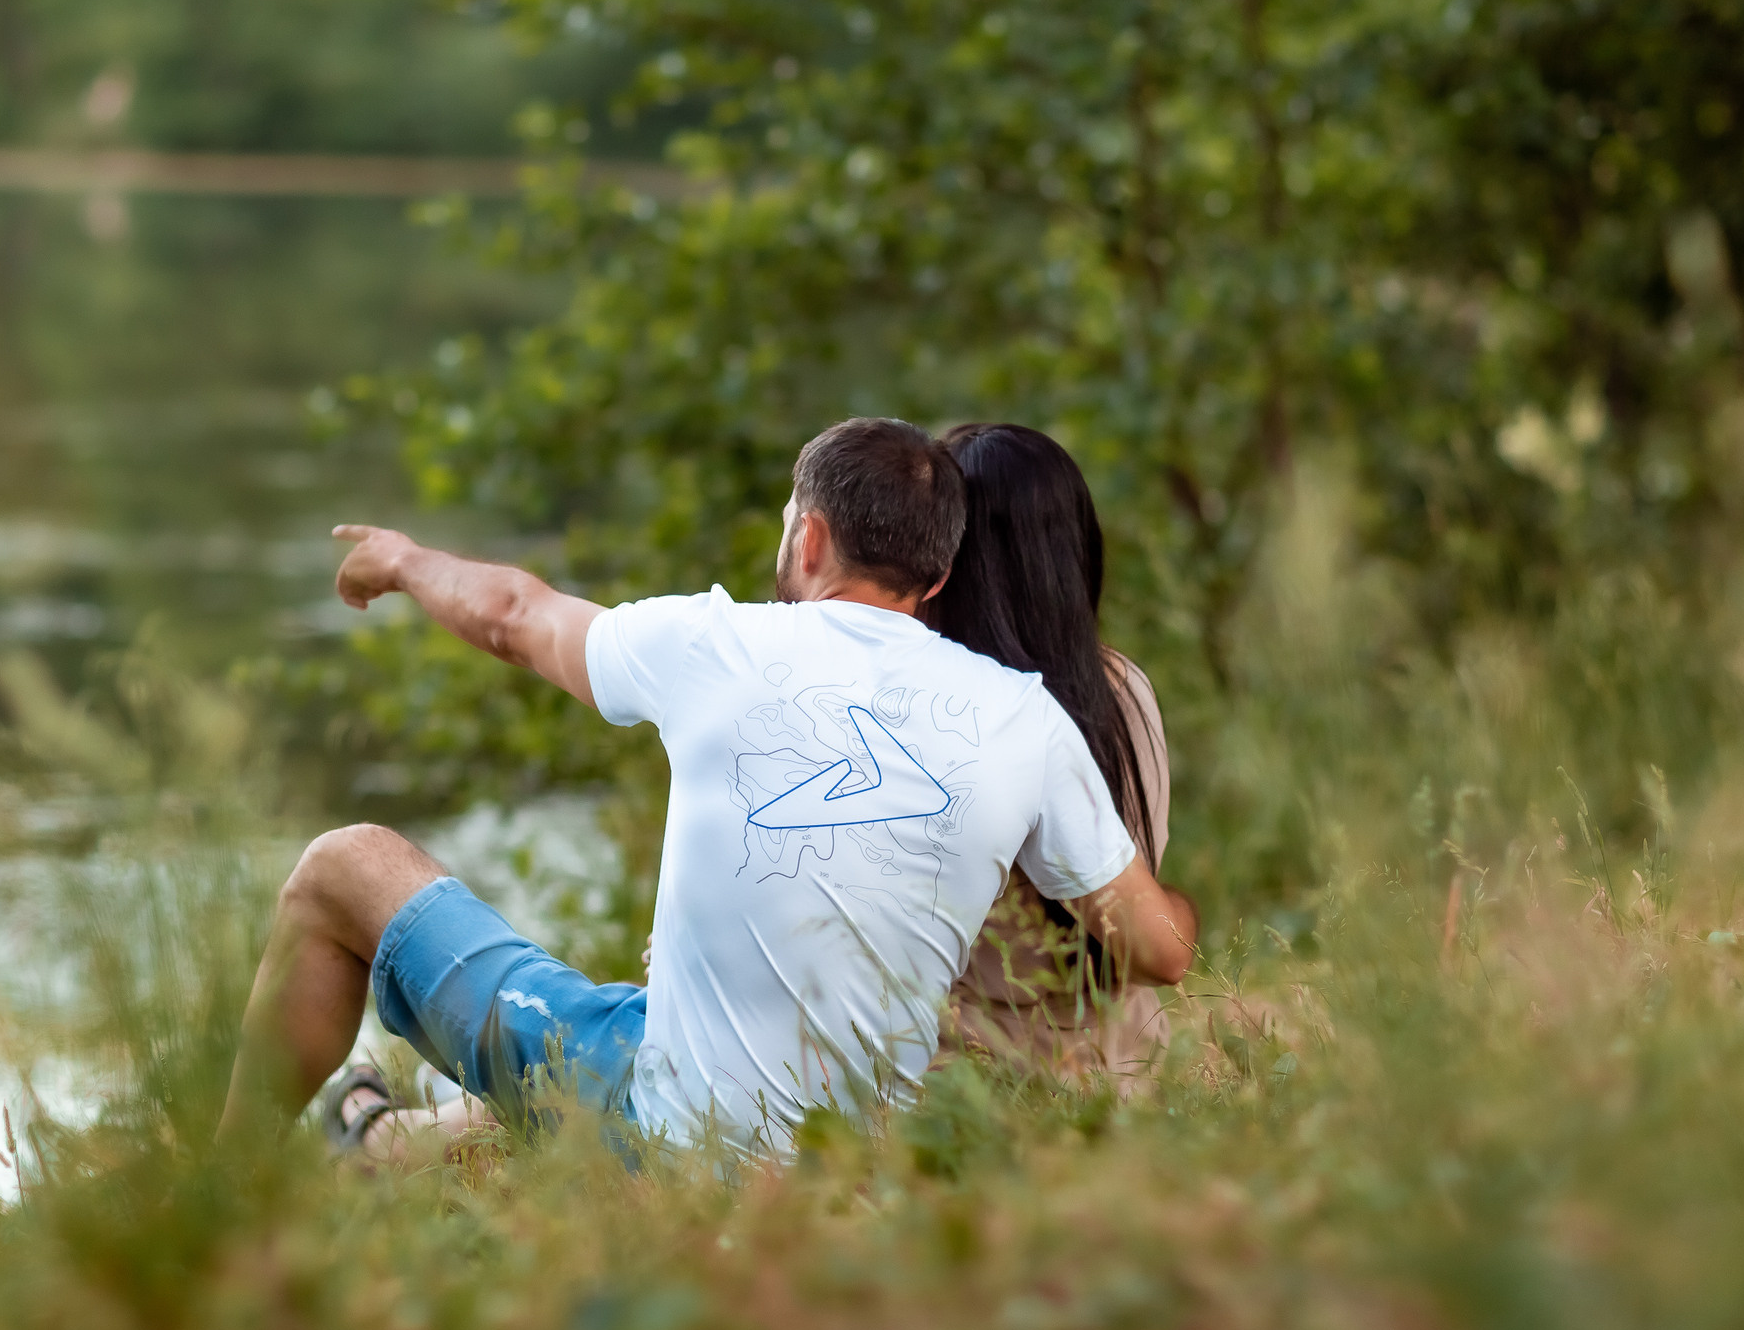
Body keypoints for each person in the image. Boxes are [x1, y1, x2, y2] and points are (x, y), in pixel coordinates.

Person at [217, 416, 1197, 1159]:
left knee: (344, 867)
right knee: (636, 1020)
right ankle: (379, 1137)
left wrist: (405, 559)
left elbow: (514, 613)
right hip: (849, 1158)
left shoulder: (717, 645)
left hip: (674, 1134)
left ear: (807, 542)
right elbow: (1160, 950)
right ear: (935, 575)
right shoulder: (1031, 717)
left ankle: (230, 1182)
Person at [921, 423, 1190, 1085]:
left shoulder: (930, 705)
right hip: (1125, 1065)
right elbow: (1149, 937)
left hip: (973, 1079)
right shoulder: (1121, 689)